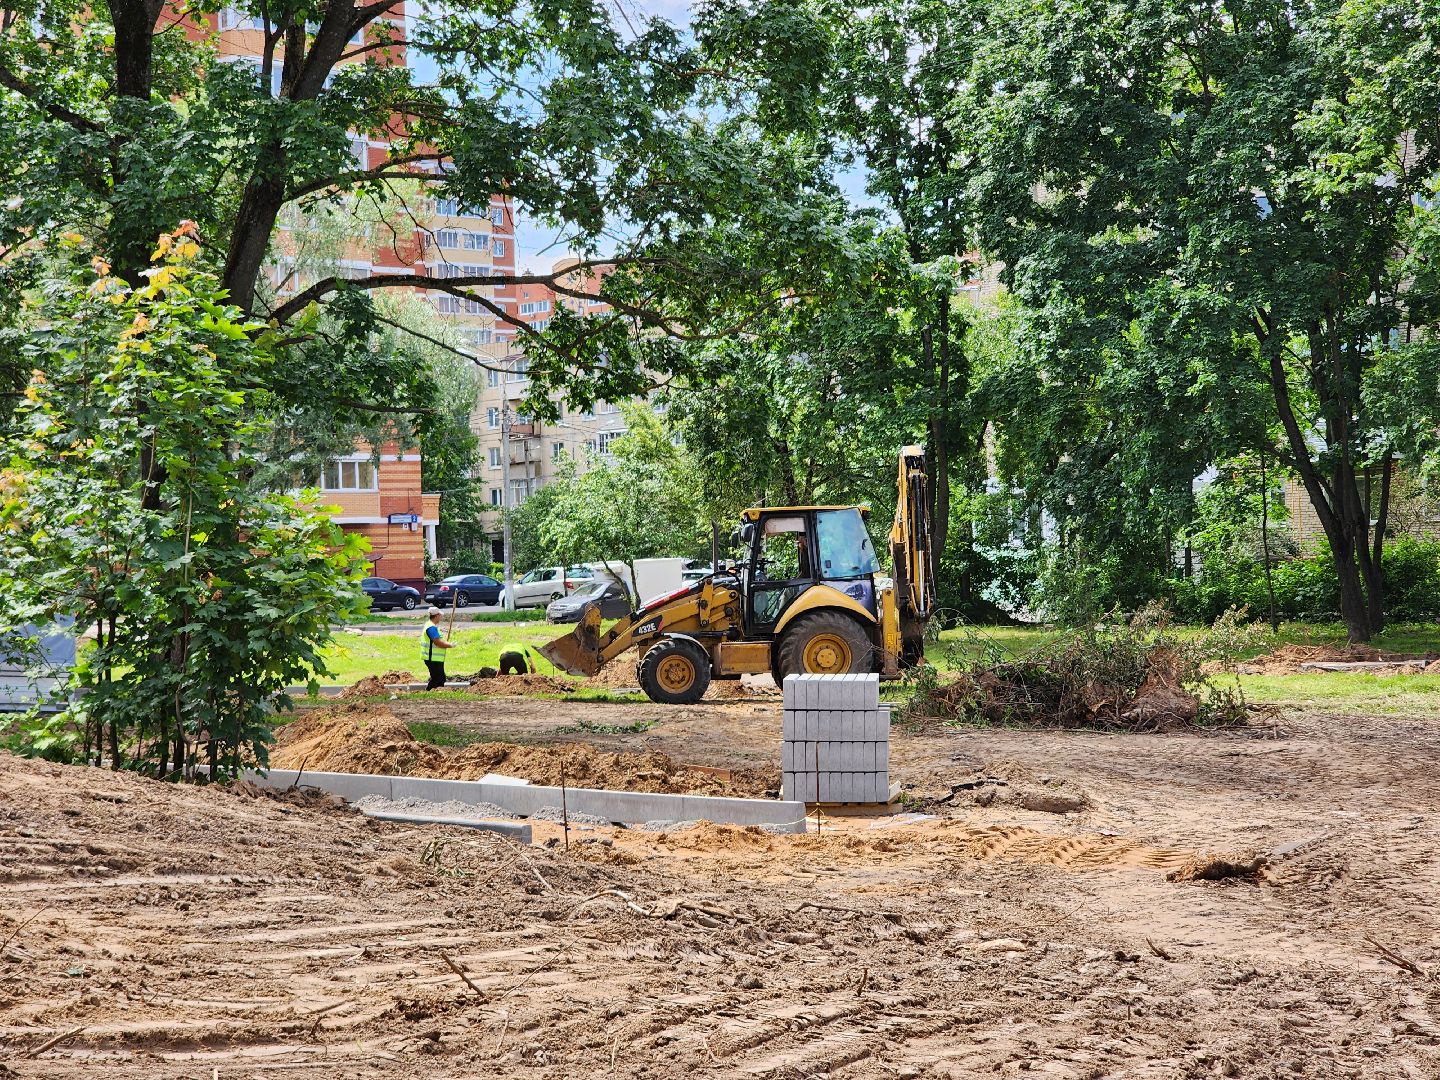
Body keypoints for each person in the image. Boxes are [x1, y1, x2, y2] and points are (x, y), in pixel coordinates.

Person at [420, 607, 455, 690]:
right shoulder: (431, 628)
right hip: (432, 658)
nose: (441, 617)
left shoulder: (430, 625)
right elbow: (437, 642)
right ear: (436, 616)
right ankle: (430, 693)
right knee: (438, 679)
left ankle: (434, 693)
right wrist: (449, 645)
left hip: (434, 658)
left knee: (439, 678)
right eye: (440, 615)